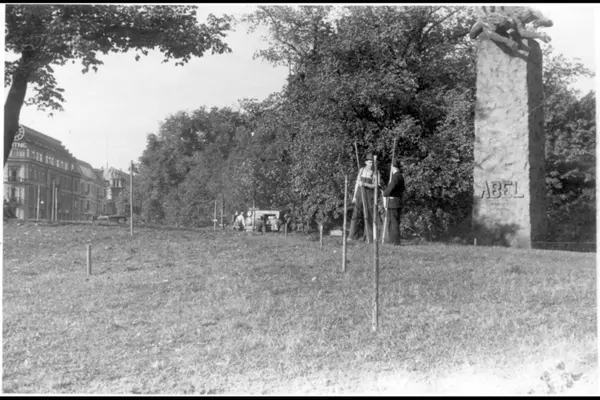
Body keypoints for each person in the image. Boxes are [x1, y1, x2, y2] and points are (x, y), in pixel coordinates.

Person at [349, 153, 381, 241]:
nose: (371, 164)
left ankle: (368, 237)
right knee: (356, 215)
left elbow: (376, 185)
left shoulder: (376, 172)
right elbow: (357, 183)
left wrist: (365, 184)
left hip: (369, 195)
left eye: (372, 162)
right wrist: (354, 197)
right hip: (360, 194)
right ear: (366, 162)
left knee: (369, 215)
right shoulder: (361, 170)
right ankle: (352, 236)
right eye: (370, 162)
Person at [382, 159, 405, 245]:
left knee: (393, 222)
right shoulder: (401, 176)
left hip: (393, 202)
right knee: (394, 221)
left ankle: (395, 241)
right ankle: (393, 240)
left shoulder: (395, 177)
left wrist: (384, 192)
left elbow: (389, 189)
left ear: (393, 167)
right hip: (398, 200)